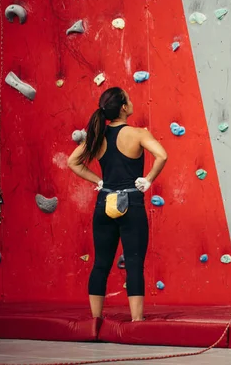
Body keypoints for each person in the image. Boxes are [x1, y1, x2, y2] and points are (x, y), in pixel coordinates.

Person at [67, 87, 167, 321]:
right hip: (131, 203)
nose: (132, 102)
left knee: (100, 263)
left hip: (105, 203)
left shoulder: (98, 137)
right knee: (133, 264)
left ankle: (95, 321)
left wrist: (99, 181)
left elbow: (73, 162)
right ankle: (137, 320)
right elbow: (162, 155)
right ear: (123, 108)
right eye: (129, 100)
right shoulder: (138, 134)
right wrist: (148, 179)